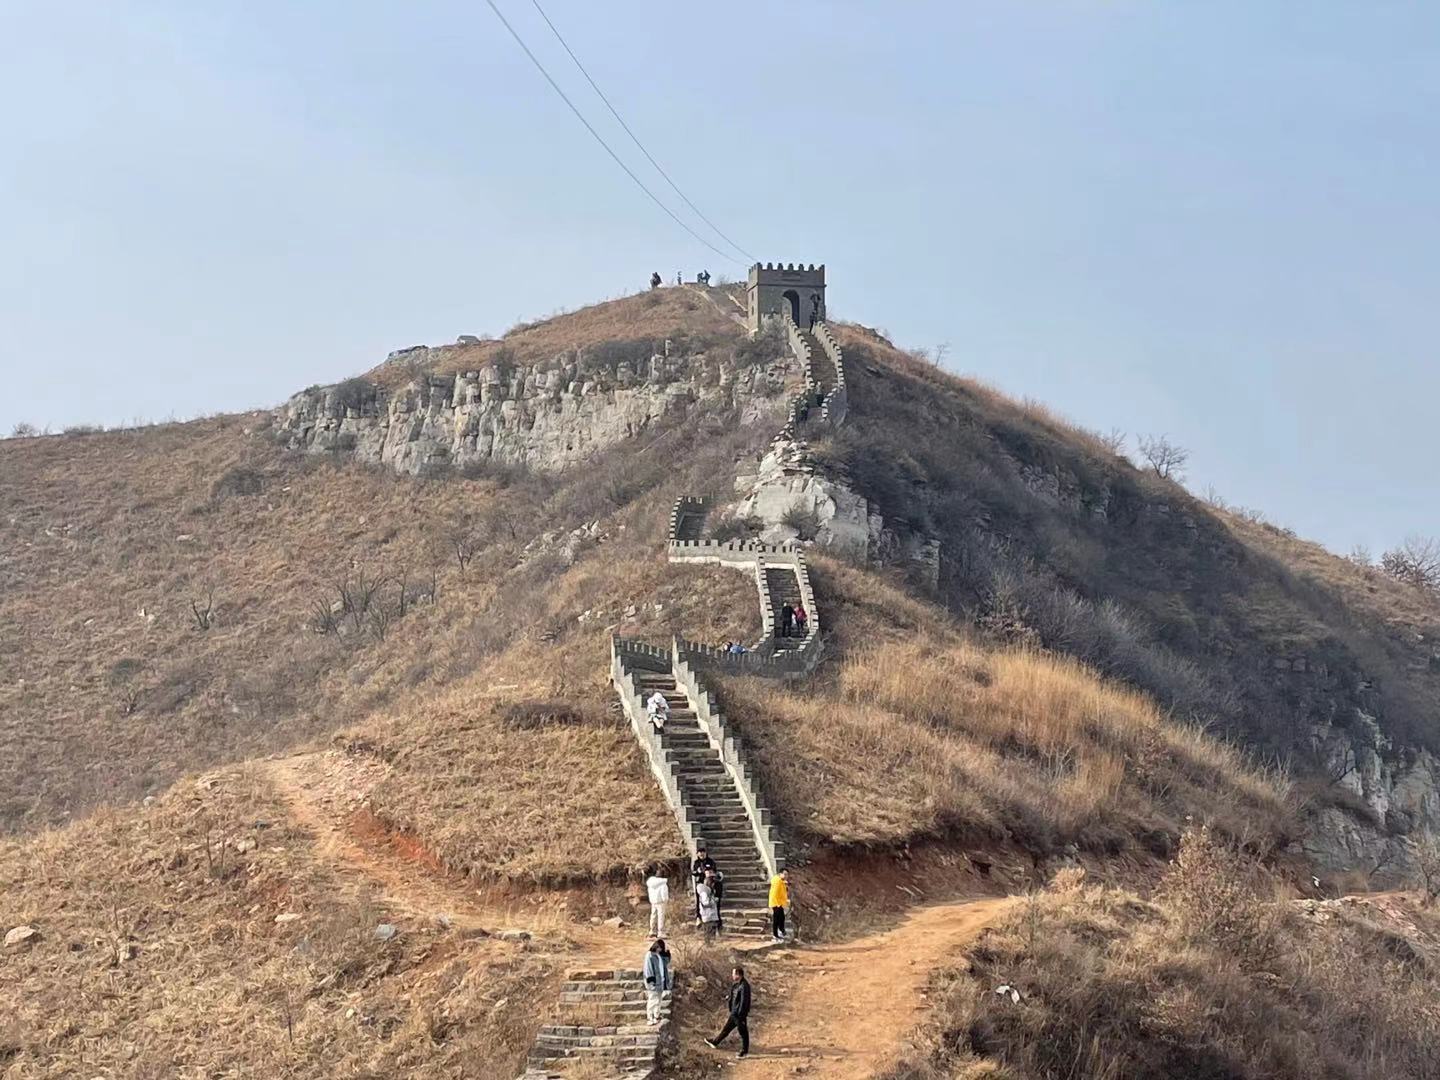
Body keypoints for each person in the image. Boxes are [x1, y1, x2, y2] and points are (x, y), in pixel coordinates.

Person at [705, 967, 752, 1058]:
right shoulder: (738, 985)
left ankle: (744, 1051)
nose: (732, 975)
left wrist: (741, 1015)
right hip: (734, 1013)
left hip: (739, 1014)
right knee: (726, 1029)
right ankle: (715, 1042)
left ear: (738, 975)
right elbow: (735, 997)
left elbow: (744, 1002)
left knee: (743, 1032)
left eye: (734, 974)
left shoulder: (744, 986)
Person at [643, 938, 673, 1025]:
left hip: (661, 982)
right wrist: (651, 982)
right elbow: (648, 969)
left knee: (658, 1001)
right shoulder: (650, 955)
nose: (660, 949)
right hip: (653, 982)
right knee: (652, 1000)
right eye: (659, 947)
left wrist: (667, 953)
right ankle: (650, 1017)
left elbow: (666, 962)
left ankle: (656, 1016)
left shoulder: (659, 956)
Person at [645, 868, 670, 937]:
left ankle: (652, 931)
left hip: (653, 901)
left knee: (653, 915)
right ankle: (660, 932)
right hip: (661, 902)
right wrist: (666, 900)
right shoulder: (663, 884)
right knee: (661, 917)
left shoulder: (650, 883)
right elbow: (664, 895)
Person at [696, 876, 720, 941]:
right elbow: (705, 903)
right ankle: (708, 946)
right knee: (708, 933)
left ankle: (711, 945)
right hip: (708, 915)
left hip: (711, 915)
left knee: (712, 932)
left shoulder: (708, 891)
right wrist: (713, 900)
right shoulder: (704, 892)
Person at [768, 869, 790, 941]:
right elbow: (775, 893)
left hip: (778, 903)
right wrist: (777, 904)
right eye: (785, 874)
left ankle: (781, 931)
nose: (786, 876)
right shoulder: (777, 881)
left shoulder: (780, 881)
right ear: (780, 873)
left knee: (781, 917)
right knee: (777, 919)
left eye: (787, 874)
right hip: (776, 903)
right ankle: (776, 934)